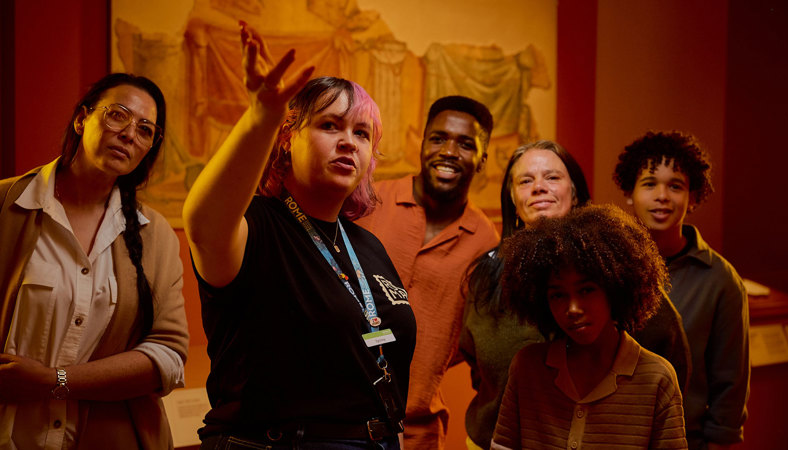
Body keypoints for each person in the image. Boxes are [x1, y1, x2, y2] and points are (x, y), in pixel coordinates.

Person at [183, 22, 416, 449]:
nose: (349, 142)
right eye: (330, 126)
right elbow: (201, 222)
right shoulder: (256, 225)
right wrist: (263, 115)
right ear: (288, 139)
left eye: (361, 133)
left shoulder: (367, 245)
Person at [460, 140, 690, 449]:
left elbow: (667, 360)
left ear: (576, 191)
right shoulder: (487, 273)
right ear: (512, 198)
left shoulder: (616, 268)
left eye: (552, 177)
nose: (539, 187)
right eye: (526, 180)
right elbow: (475, 359)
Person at [0, 73, 189, 449]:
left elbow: (168, 357)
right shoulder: (8, 206)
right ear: (82, 118)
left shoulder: (156, 234)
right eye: (118, 115)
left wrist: (55, 380)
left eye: (146, 129)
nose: (130, 134)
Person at [355, 96, 499, 449]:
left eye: (466, 144)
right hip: (336, 421)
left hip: (417, 429)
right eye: (438, 138)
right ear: (422, 144)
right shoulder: (367, 201)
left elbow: (474, 336)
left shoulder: (486, 241)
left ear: (481, 159)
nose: (449, 151)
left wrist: (428, 361)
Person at [491, 204, 687, 450]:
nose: (572, 308)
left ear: (615, 287)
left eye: (586, 290)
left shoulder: (657, 379)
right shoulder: (527, 368)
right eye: (558, 295)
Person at [613, 131, 749, 450]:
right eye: (649, 183)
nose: (662, 195)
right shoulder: (606, 265)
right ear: (630, 193)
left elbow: (730, 386)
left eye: (676, 186)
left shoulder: (720, 280)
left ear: (693, 196)